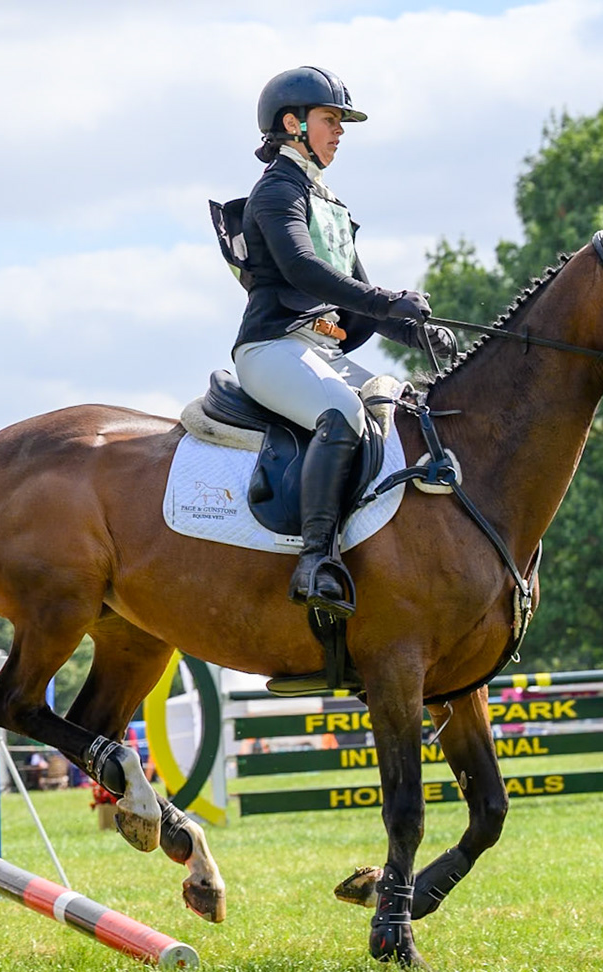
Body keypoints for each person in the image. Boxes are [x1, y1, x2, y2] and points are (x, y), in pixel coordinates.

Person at [227, 67, 450, 620]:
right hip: (272, 348)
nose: (340, 131)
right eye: (331, 120)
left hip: (320, 352)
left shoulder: (329, 204)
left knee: (405, 411)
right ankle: (316, 559)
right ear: (292, 124)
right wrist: (386, 300)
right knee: (343, 412)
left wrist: (416, 330)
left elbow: (358, 298)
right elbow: (302, 270)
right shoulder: (277, 190)